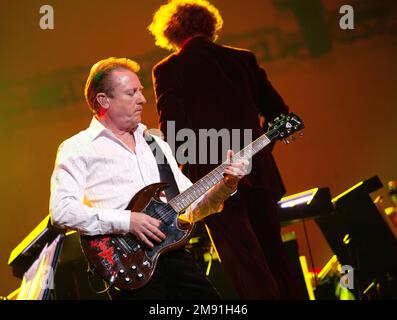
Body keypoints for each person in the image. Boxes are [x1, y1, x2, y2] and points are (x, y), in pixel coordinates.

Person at [49, 57, 249, 300]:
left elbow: (191, 207)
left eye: (140, 91)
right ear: (104, 100)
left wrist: (226, 185)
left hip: (174, 255)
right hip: (127, 263)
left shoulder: (155, 143)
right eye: (131, 92)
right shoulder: (78, 147)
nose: (143, 99)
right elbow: (61, 211)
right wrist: (128, 221)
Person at [149, 0, 301, 299]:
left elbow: (173, 130)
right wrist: (260, 152)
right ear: (210, 25)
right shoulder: (243, 60)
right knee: (277, 259)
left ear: (171, 32)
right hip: (259, 176)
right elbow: (282, 115)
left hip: (211, 185)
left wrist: (189, 177)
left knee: (245, 265)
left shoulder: (169, 69)